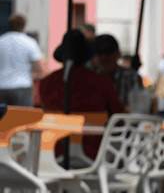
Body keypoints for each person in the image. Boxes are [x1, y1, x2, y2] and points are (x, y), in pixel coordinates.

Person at [40, 29, 124, 158]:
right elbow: (119, 116)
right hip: (93, 155)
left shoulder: (46, 83)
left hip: (53, 152)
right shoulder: (101, 82)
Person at [91, 34, 145, 111]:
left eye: (108, 52)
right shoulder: (88, 78)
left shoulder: (131, 76)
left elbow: (137, 107)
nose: (104, 57)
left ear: (118, 54)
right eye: (99, 52)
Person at [0, 14, 44, 106]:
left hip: (1, 86)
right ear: (24, 25)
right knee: (24, 118)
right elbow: (40, 68)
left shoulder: (1, 41)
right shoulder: (29, 42)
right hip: (23, 86)